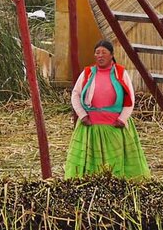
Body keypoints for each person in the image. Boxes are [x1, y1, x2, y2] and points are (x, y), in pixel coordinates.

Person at [64, 39, 151, 178]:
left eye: (104, 52)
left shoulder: (121, 73)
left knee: (116, 163)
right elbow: (75, 94)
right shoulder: (87, 73)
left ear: (111, 55)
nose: (100, 55)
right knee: (88, 165)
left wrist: (122, 119)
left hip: (115, 126)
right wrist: (82, 115)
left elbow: (130, 98)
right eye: (97, 52)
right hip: (90, 127)